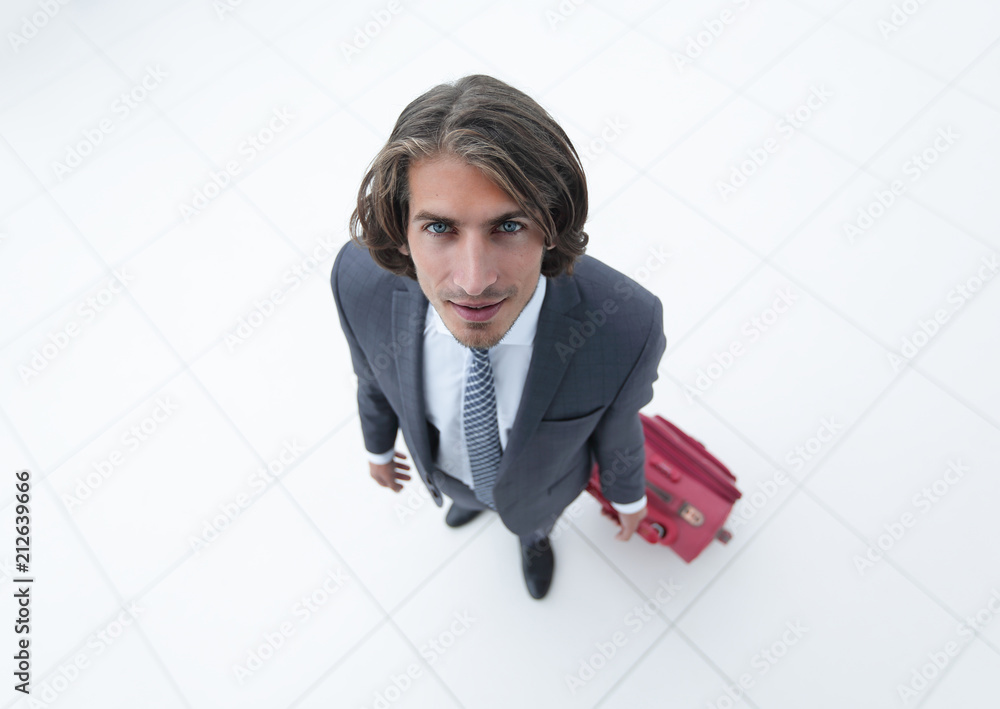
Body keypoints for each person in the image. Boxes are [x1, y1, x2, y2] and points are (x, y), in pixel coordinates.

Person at [331, 74, 666, 600]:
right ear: (401, 229)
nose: (473, 281)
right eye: (439, 228)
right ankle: (467, 501)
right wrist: (377, 449)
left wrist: (628, 497)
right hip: (446, 469)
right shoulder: (358, 282)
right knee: (464, 493)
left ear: (551, 224)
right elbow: (370, 376)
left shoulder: (624, 324)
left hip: (540, 495)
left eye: (508, 227)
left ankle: (532, 539)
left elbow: (618, 428)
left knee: (529, 522)